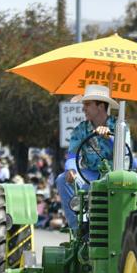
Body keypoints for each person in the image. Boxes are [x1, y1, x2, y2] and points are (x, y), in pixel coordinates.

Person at [55, 84, 123, 230]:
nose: (83, 108)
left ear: (100, 106)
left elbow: (124, 154)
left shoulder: (120, 127)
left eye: (87, 104)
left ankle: (127, 227)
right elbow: (72, 154)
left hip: (116, 174)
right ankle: (78, 228)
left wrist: (110, 138)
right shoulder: (80, 129)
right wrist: (71, 169)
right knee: (62, 179)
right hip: (90, 174)